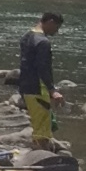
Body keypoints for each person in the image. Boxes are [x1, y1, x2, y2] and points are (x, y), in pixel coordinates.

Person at [17, 9, 65, 146]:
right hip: (38, 88)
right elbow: (43, 68)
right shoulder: (43, 42)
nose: (57, 31)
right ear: (50, 22)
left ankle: (38, 151)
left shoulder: (27, 36)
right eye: (56, 27)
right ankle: (42, 156)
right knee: (42, 127)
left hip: (25, 86)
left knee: (37, 121)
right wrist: (52, 90)